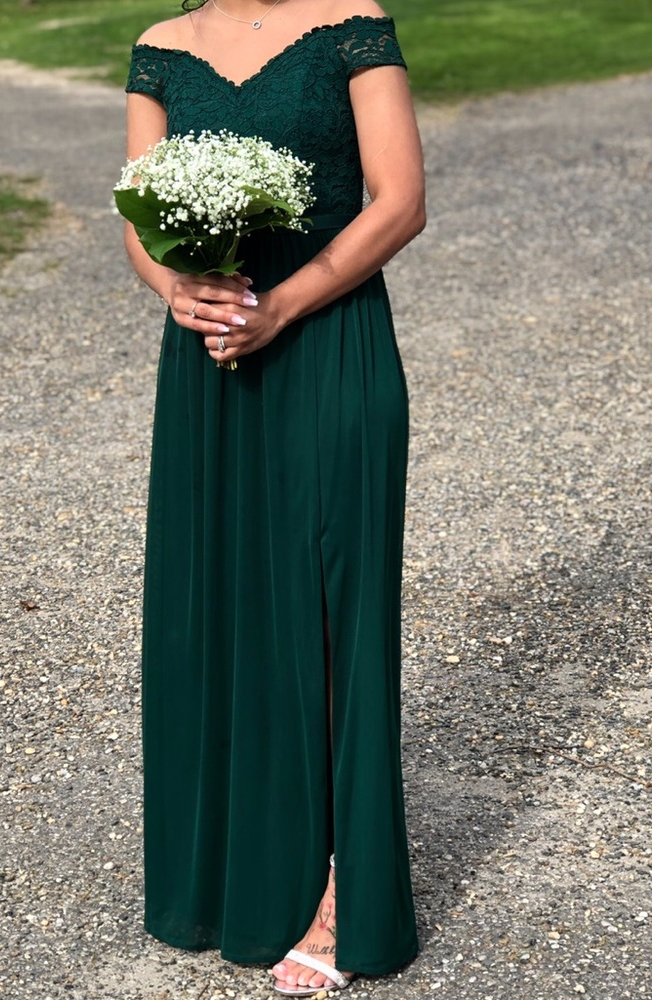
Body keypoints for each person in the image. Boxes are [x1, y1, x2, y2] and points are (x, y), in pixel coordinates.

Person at [122, 0, 425, 994]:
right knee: (214, 613)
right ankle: (224, 875)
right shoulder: (161, 50)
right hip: (209, 361)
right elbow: (137, 207)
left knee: (332, 609)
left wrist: (282, 305)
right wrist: (175, 286)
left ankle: (345, 895)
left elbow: (400, 199)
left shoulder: (349, 24)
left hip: (326, 339)